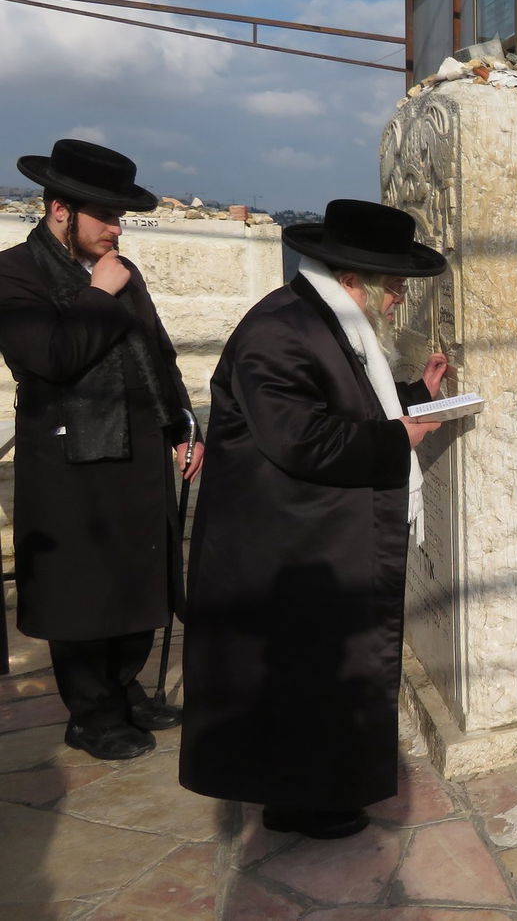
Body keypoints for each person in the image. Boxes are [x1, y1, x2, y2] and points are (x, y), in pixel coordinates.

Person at [178, 199, 449, 840]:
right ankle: (304, 801)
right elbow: (301, 439)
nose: (399, 301)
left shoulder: (320, 320)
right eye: (395, 286)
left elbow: (343, 405)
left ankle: (312, 793)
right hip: (283, 545)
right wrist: (398, 439)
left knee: (314, 680)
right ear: (356, 277)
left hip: (307, 537)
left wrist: (414, 397)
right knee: (299, 684)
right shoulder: (282, 329)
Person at [0, 139, 202, 761]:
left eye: (120, 217)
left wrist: (184, 425)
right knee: (82, 594)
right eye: (106, 216)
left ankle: (122, 690)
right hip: (69, 467)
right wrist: (97, 293)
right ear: (60, 210)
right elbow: (47, 359)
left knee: (139, 581)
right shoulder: (15, 272)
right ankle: (91, 713)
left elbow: (155, 354)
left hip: (138, 452)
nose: (117, 229)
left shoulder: (120, 268)